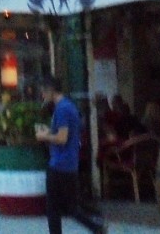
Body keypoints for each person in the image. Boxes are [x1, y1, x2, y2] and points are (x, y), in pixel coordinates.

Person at [36, 73, 107, 234]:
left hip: (59, 164)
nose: (42, 95)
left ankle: (96, 227)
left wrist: (44, 136)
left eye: (43, 91)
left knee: (53, 208)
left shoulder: (62, 109)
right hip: (69, 163)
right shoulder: (69, 106)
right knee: (71, 207)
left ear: (51, 90)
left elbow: (62, 138)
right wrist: (50, 131)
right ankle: (96, 227)